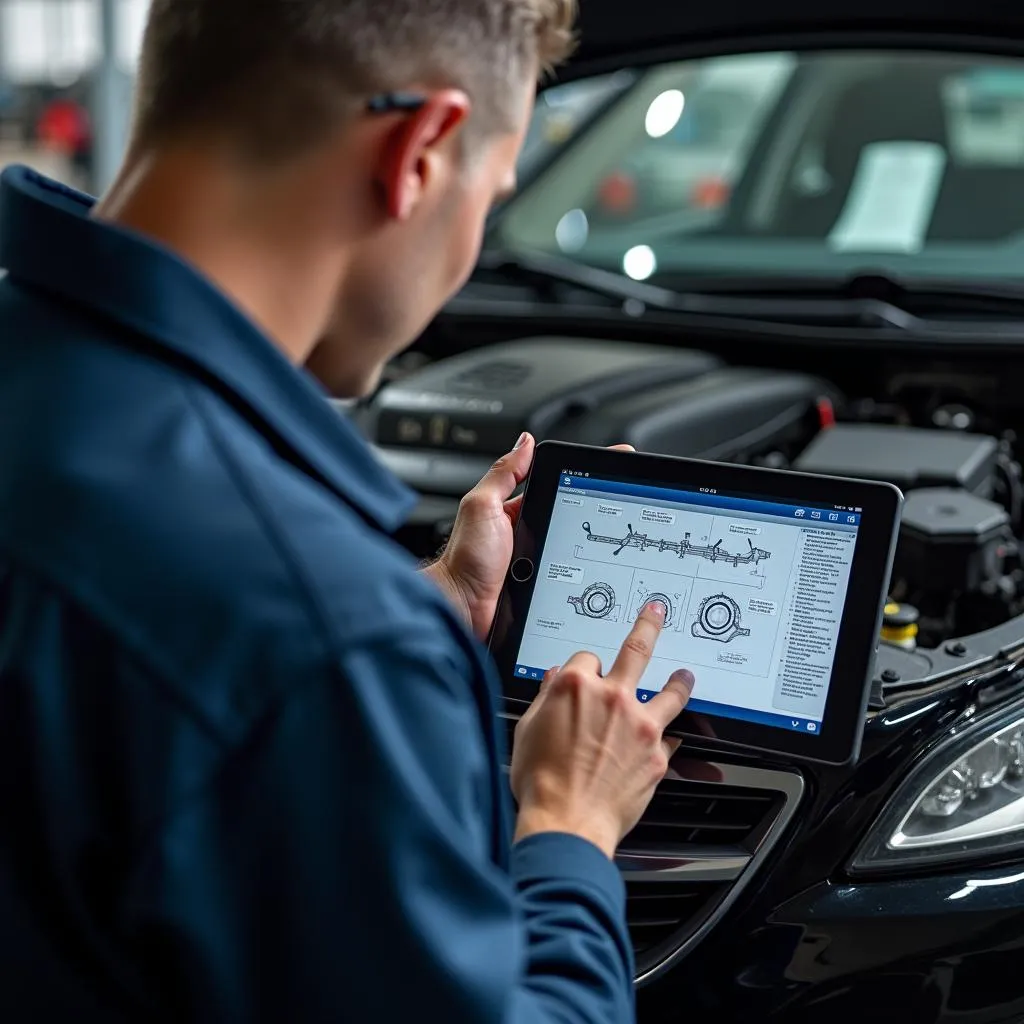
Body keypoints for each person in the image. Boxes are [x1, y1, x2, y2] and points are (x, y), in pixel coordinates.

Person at [0, 2, 695, 1021]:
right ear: (420, 151)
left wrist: (422, 608)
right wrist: (567, 822)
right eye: (492, 196)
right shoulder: (320, 632)